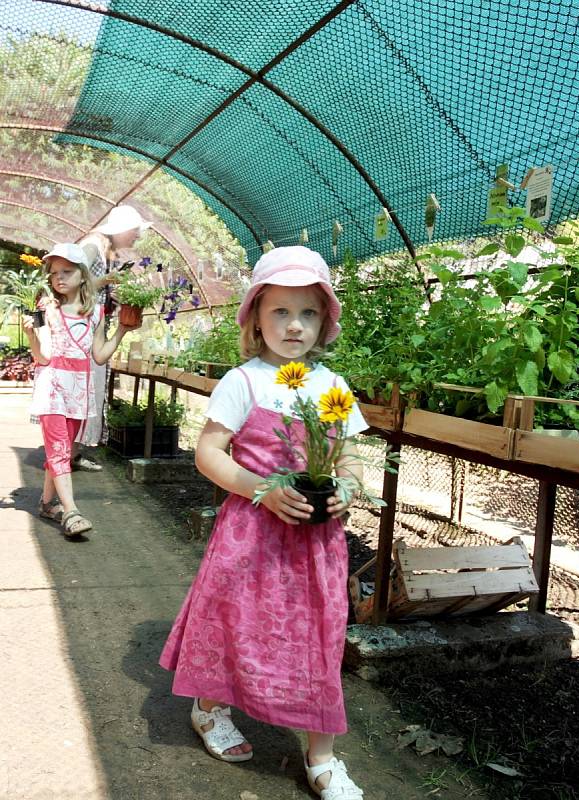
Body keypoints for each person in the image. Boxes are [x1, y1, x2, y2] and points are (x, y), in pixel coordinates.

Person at [159, 246, 366, 799]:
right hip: (251, 535)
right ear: (255, 316)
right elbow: (209, 453)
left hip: (314, 542)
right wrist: (262, 490)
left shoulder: (332, 387)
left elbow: (347, 454)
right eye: (280, 311)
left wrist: (346, 486)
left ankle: (321, 755)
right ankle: (209, 707)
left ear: (325, 321)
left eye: (308, 313)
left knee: (321, 637)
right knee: (235, 623)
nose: (294, 325)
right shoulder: (242, 382)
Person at [23, 243, 140, 537]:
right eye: (54, 273)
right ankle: (71, 512)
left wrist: (123, 331)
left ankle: (47, 504)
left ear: (82, 275)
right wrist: (30, 334)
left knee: (59, 452)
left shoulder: (95, 313)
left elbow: (99, 355)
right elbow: (44, 356)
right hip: (52, 388)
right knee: (60, 451)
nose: (58, 278)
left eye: (67, 271)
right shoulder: (48, 309)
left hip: (78, 391)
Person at [72, 204, 152, 471]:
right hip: (81, 331)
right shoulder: (93, 244)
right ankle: (66, 455)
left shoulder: (105, 249)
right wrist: (106, 281)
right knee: (82, 390)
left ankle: (73, 453)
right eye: (135, 231)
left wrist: (110, 293)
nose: (137, 237)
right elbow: (72, 282)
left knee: (90, 390)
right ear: (122, 229)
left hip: (91, 326)